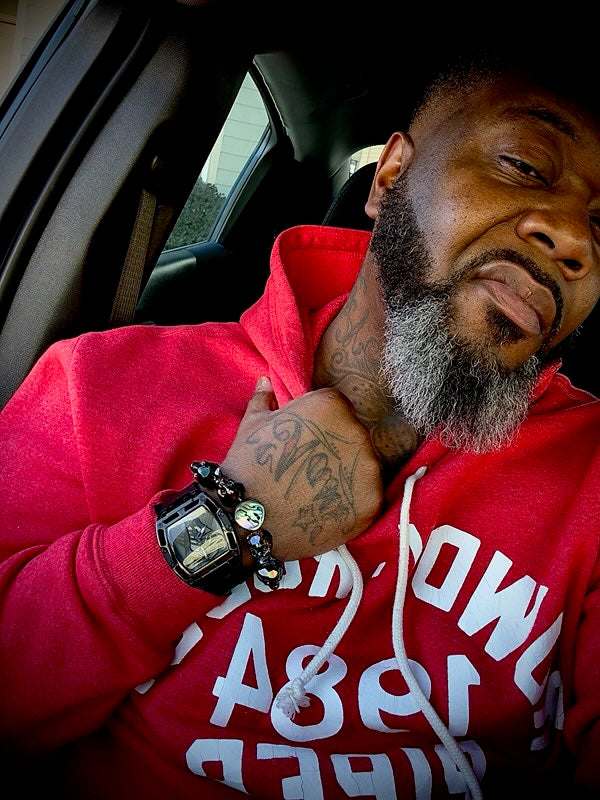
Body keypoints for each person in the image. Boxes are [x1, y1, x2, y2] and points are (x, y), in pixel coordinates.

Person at [1, 47, 600, 799]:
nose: (575, 242)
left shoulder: (591, 474)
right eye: (524, 165)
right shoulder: (101, 387)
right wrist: (218, 524)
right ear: (390, 178)